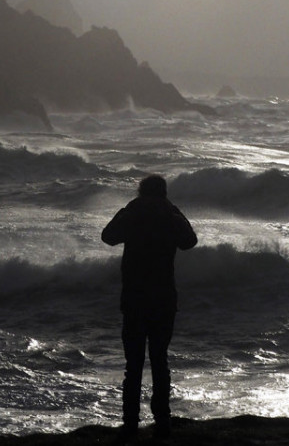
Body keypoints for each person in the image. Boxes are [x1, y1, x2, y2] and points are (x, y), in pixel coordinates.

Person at [101, 175, 197, 441]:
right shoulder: (169, 215)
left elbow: (108, 236)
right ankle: (162, 421)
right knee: (159, 360)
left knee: (133, 364)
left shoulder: (133, 214)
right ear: (164, 193)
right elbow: (190, 241)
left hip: (134, 298)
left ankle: (130, 423)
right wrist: (174, 210)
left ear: (141, 192)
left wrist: (126, 209)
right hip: (164, 298)